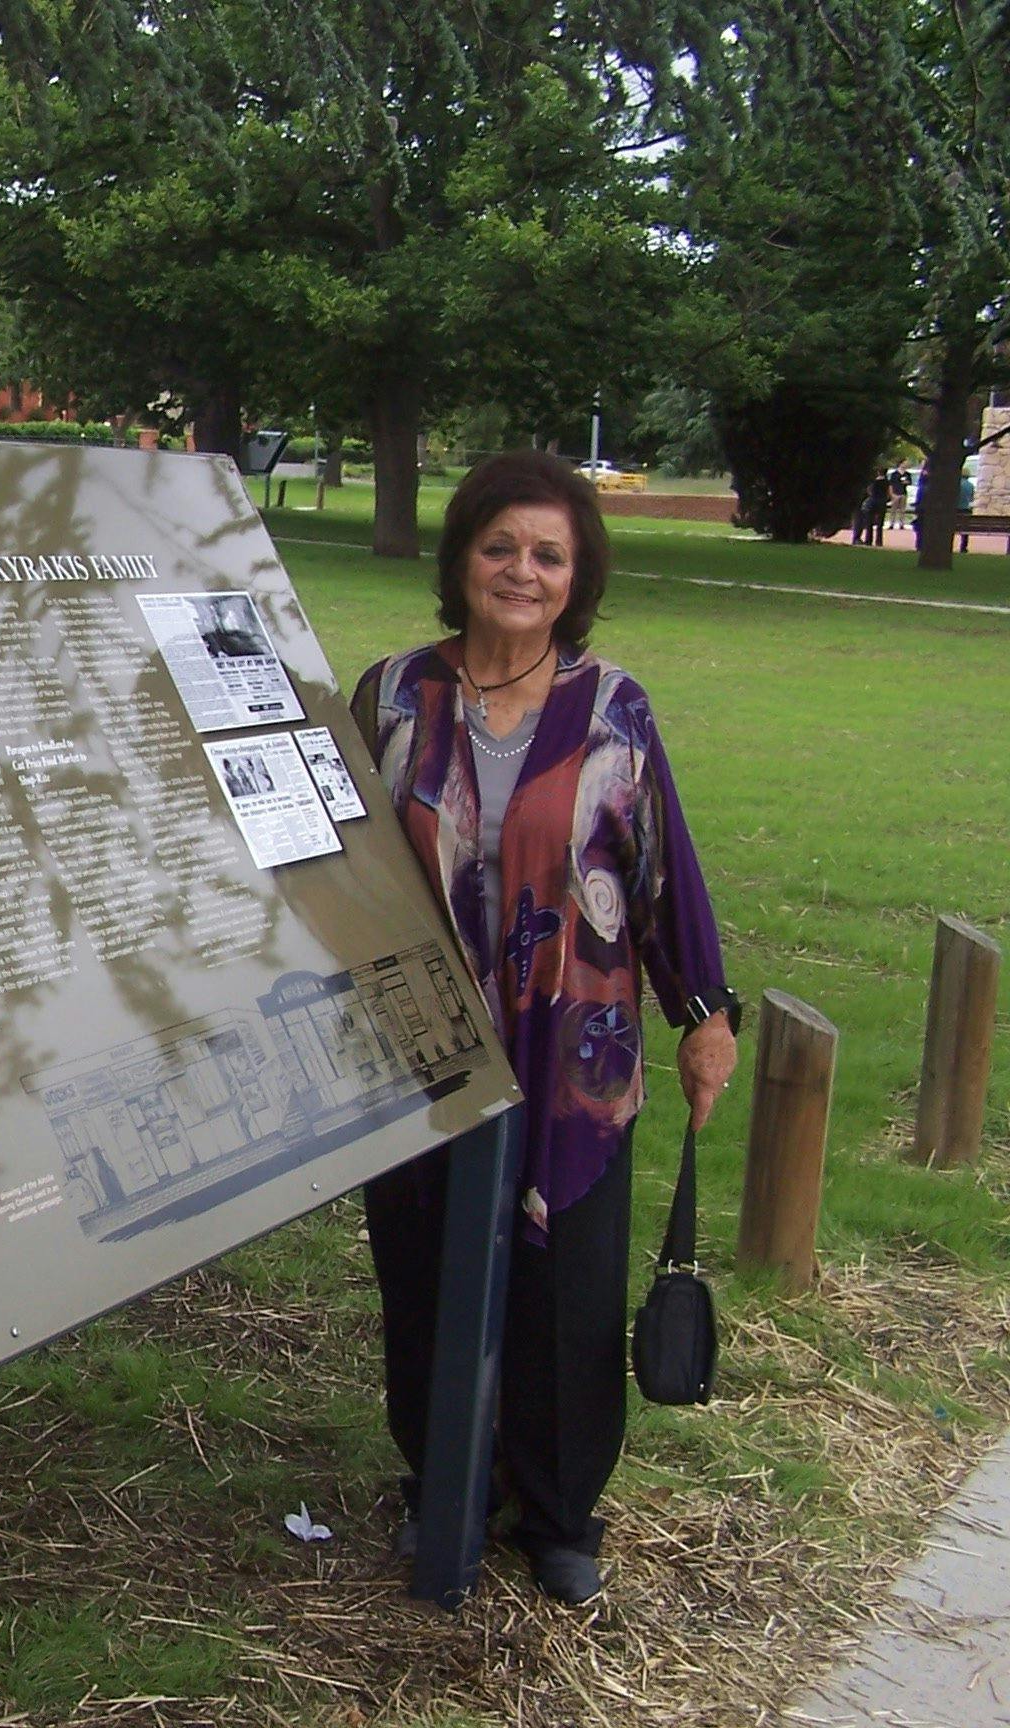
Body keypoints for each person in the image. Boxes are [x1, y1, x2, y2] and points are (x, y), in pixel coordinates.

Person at [350, 449, 739, 1606]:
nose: (522, 571)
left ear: (578, 577)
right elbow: (331, 864)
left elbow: (664, 873)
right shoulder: (389, 698)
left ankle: (562, 1509)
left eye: (549, 555)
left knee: (565, 1287)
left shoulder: (614, 706)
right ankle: (445, 1481)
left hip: (578, 1055)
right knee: (423, 1269)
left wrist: (704, 1013)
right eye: (500, 547)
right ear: (462, 557)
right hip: (423, 1049)